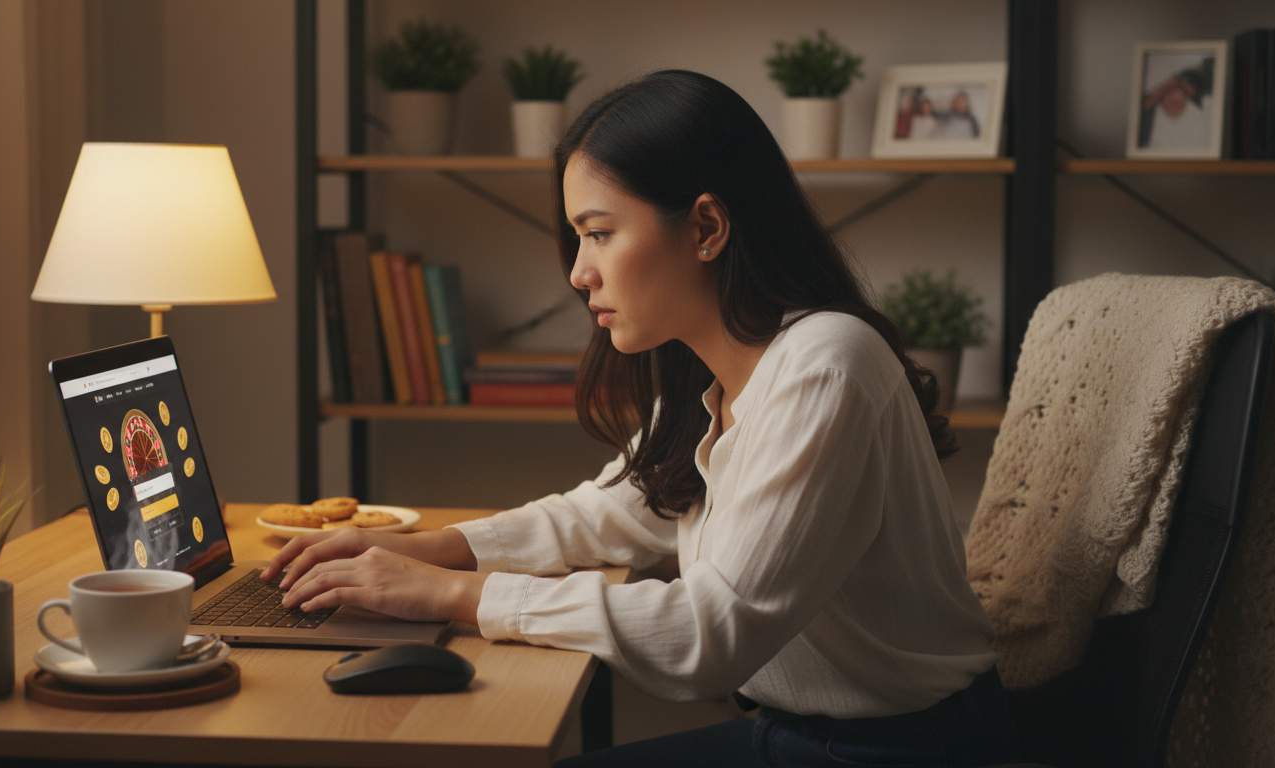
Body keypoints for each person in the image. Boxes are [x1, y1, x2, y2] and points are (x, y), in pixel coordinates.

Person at [261, 69, 1018, 767]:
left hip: (907, 749)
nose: (577, 271)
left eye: (599, 232)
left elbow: (709, 634)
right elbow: (609, 513)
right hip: (802, 734)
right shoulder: (710, 366)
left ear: (706, 228)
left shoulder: (825, 365)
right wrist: (426, 552)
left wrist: (455, 597)